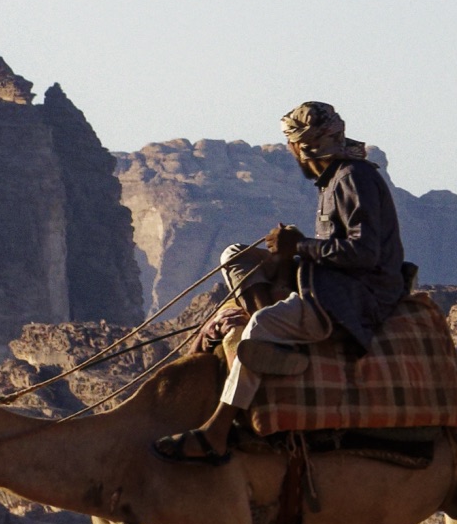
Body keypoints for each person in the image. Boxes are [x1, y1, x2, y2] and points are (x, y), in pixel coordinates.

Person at [155, 101, 407, 463]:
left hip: (355, 297)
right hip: (328, 280)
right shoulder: (334, 178)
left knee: (260, 324)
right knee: (236, 254)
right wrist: (291, 251)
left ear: (300, 147)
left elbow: (364, 254)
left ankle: (217, 432)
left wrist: (300, 245)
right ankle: (277, 337)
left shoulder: (352, 176)